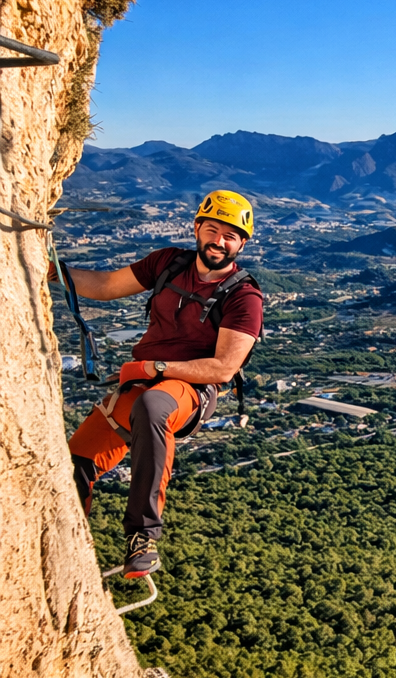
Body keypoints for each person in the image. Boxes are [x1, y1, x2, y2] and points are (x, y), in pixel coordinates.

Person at [63, 190, 263, 579]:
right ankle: (65, 540)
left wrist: (154, 368)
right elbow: (105, 286)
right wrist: (56, 270)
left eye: (230, 235)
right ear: (197, 229)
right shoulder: (168, 263)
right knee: (75, 462)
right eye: (212, 230)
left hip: (188, 390)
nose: (219, 241)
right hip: (142, 384)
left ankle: (142, 536)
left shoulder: (244, 296)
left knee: (153, 406)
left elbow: (222, 368)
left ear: (242, 243)